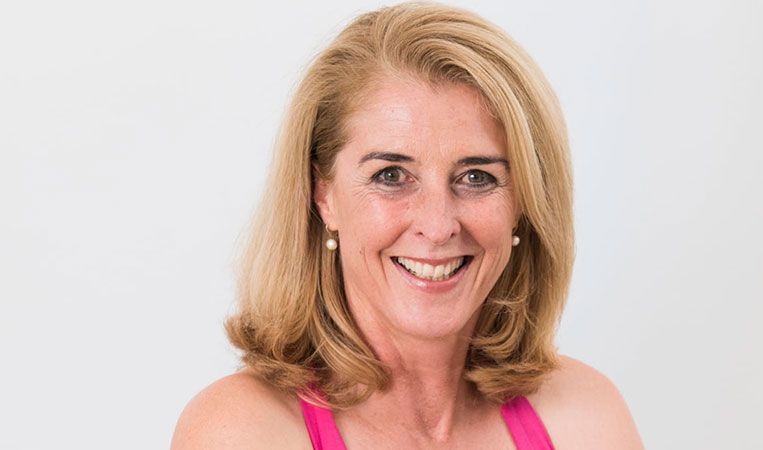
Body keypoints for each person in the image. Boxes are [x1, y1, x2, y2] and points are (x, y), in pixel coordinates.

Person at [171, 3, 644, 449]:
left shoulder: (586, 418)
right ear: (323, 195)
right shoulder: (243, 431)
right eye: (391, 176)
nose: (437, 227)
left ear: (524, 202)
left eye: (476, 177)